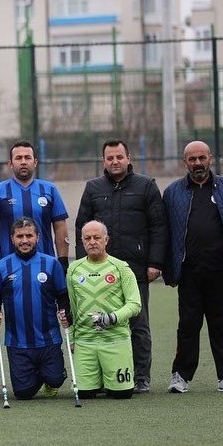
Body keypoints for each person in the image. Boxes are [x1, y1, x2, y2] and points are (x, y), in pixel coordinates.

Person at [75, 140, 168, 394]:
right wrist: (80, 264)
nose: (114, 161)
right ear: (103, 160)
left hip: (135, 269)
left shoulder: (146, 186)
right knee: (99, 325)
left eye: (119, 156)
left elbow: (159, 227)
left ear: (129, 158)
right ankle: (106, 378)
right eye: (109, 158)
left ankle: (140, 377)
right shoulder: (93, 188)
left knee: (137, 324)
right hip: (98, 272)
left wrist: (155, 262)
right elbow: (81, 227)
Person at [163, 141, 223, 394]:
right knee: (187, 325)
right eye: (192, 159)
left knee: (220, 324)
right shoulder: (172, 192)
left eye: (202, 157)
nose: (198, 163)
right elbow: (166, 234)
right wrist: (170, 270)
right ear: (185, 162)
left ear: (210, 158)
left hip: (220, 271)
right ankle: (180, 376)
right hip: (188, 272)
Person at [0, 217, 70, 399]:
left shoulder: (51, 263)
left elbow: (62, 296)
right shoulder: (2, 266)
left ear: (37, 237)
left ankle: (52, 375)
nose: (24, 240)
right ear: (12, 239)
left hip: (49, 339)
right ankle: (37, 373)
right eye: (20, 236)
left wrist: (65, 313)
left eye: (29, 235)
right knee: (23, 394)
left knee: (55, 378)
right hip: (17, 342)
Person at [66, 221, 140, 399]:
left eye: (97, 237)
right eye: (87, 238)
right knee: (84, 394)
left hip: (115, 339)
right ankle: (96, 378)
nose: (92, 242)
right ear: (82, 241)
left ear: (106, 240)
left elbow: (135, 304)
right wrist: (74, 338)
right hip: (85, 341)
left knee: (121, 394)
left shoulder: (121, 268)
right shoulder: (73, 269)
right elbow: (73, 308)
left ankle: (109, 379)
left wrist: (111, 318)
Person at [0, 141, 69, 270]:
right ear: (10, 164)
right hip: (9, 269)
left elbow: (60, 226)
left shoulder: (50, 189)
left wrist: (62, 261)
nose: (23, 161)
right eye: (18, 158)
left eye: (27, 157)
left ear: (35, 163)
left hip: (45, 267)